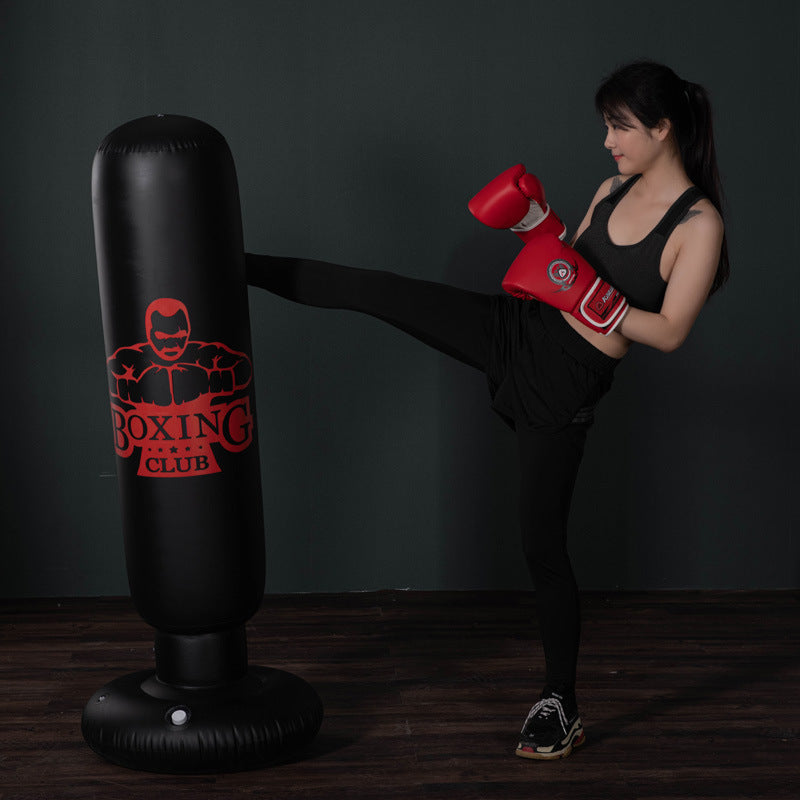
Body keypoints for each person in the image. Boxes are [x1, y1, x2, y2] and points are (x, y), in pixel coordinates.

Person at [245, 59, 728, 760]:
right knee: (378, 290)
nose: (607, 141)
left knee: (541, 546)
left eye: (620, 127)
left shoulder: (699, 223)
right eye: (605, 126)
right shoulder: (611, 189)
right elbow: (563, 265)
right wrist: (537, 227)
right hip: (518, 332)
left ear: (663, 128)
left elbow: (673, 330)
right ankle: (232, 264)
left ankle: (560, 703)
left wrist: (598, 304)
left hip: (564, 388)